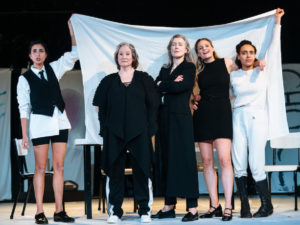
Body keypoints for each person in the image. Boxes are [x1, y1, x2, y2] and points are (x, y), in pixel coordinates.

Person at [192, 35, 265, 221]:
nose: (204, 49)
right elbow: (193, 94)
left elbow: (245, 65)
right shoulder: (196, 70)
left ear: (212, 47)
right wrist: (193, 101)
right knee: (207, 162)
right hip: (203, 116)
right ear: (198, 53)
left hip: (222, 114)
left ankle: (228, 206)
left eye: (206, 46)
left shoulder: (226, 62)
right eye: (200, 48)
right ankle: (213, 205)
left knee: (225, 160)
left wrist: (258, 63)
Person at [17, 19, 78, 224]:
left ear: (45, 54)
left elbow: (74, 55)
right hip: (40, 124)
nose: (38, 54)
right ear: (29, 55)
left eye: (41, 50)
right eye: (34, 51)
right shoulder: (24, 79)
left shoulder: (54, 68)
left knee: (59, 166)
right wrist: (25, 134)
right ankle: (39, 211)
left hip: (60, 121)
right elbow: (23, 108)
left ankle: (60, 211)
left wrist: (72, 31)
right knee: (41, 168)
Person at [92, 42, 159, 224]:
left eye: (127, 53)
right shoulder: (108, 81)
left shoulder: (144, 79)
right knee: (114, 172)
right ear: (117, 58)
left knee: (143, 170)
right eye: (120, 54)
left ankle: (145, 210)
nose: (124, 56)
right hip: (114, 133)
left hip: (139, 132)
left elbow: (153, 106)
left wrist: (150, 129)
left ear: (134, 57)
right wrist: (105, 129)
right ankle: (115, 211)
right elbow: (100, 107)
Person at [230, 8, 285, 218]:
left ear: (255, 54)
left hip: (257, 116)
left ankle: (266, 205)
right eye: (244, 52)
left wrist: (277, 22)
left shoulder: (262, 69)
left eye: (251, 52)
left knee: (256, 162)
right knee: (239, 161)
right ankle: (244, 205)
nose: (248, 55)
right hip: (238, 116)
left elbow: (274, 47)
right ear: (238, 55)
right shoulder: (233, 75)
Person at [151, 34, 199, 222]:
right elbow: (155, 88)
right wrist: (167, 83)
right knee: (166, 161)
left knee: (185, 160)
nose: (176, 47)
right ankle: (169, 206)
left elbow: (182, 87)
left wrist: (165, 84)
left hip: (181, 119)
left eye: (180, 44)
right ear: (170, 49)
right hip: (164, 118)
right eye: (174, 44)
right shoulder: (164, 69)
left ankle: (193, 208)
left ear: (186, 49)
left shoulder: (188, 67)